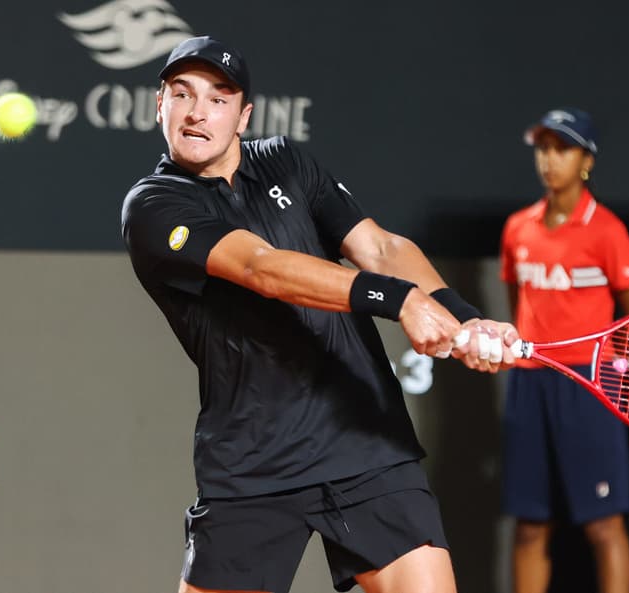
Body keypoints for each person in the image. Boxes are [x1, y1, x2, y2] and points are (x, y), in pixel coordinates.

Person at [121, 36, 519, 593]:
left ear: (243, 116)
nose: (196, 112)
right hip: (255, 460)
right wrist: (399, 300)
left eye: (218, 98)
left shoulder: (285, 159)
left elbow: (379, 248)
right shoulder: (154, 206)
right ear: (159, 105)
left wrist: (461, 313)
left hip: (365, 440)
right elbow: (263, 268)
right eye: (182, 94)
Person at [498, 108, 629, 593]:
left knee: (603, 525)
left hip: (589, 385)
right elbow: (516, 304)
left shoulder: (607, 231)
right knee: (529, 526)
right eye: (543, 148)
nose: (549, 160)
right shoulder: (517, 228)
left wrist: (613, 366)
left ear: (586, 160)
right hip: (530, 382)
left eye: (561, 149)